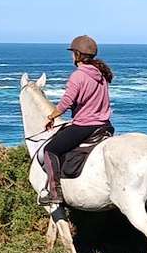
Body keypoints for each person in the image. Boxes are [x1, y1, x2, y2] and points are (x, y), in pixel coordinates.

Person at [38, 35, 115, 205]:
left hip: (85, 126)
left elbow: (67, 101)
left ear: (78, 55)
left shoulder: (78, 76)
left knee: (50, 150)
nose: (71, 56)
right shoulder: (101, 74)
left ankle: (54, 192)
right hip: (105, 126)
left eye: (73, 53)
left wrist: (52, 116)